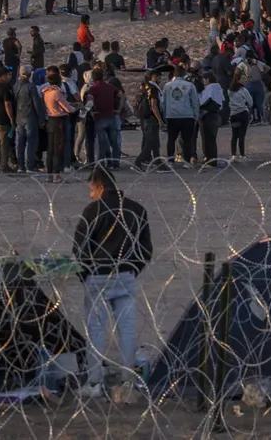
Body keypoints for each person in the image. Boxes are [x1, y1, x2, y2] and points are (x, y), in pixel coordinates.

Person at [72, 165, 153, 400]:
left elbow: (80, 247)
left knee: (96, 331)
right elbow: (145, 248)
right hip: (125, 275)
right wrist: (133, 269)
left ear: (100, 187)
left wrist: (86, 274)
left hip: (98, 276)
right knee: (127, 330)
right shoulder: (136, 209)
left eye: (91, 190)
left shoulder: (93, 210)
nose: (91, 195)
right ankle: (127, 381)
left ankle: (94, 383)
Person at [162, 65, 200, 169]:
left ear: (174, 74)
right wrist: (196, 116)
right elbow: (195, 102)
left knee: (171, 139)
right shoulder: (190, 85)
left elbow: (163, 103)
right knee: (187, 139)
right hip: (187, 115)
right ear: (184, 74)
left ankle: (170, 161)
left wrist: (165, 116)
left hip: (172, 116)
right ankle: (187, 161)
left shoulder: (167, 86)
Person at [197, 73, 223, 167]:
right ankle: (210, 159)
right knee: (210, 139)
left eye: (203, 80)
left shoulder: (211, 88)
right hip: (215, 116)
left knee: (209, 139)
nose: (203, 82)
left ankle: (211, 161)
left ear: (207, 79)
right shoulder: (217, 88)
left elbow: (203, 101)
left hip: (209, 116)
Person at [228, 74, 253, 161]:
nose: (245, 81)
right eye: (243, 79)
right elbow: (250, 103)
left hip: (233, 114)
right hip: (242, 113)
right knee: (242, 135)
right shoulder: (243, 90)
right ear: (238, 80)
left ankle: (233, 155)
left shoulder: (229, 91)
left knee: (234, 135)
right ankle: (242, 154)